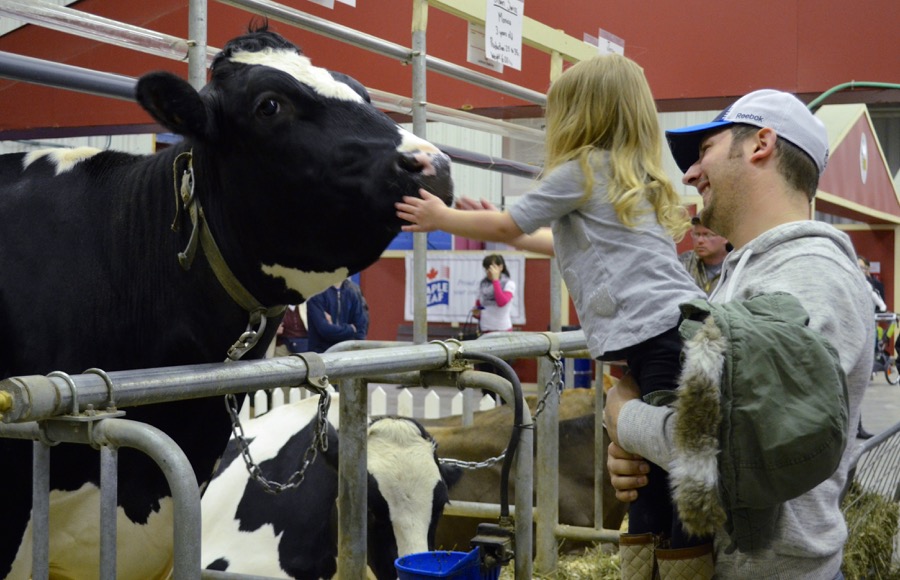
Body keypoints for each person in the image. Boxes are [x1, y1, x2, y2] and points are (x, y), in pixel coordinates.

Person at [395, 54, 711, 572]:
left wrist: (441, 216)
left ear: (582, 116)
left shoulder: (581, 169)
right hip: (679, 331)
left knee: (668, 477)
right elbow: (558, 244)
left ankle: (676, 564)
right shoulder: (634, 177)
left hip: (658, 339)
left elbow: (511, 225)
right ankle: (655, 563)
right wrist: (495, 224)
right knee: (656, 475)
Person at [605, 89, 873, 579]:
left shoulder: (808, 277)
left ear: (760, 144)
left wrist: (627, 420)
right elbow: (714, 412)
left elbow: (738, 453)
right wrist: (640, 452)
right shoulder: (747, 272)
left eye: (704, 150)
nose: (688, 173)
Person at [857, 254, 885, 439]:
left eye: (864, 268)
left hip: (864, 335)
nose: (861, 271)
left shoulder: (868, 285)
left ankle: (857, 427)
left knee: (857, 387)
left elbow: (878, 300)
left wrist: (883, 308)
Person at [306, 278, 369, 353]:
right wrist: (350, 329)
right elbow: (325, 330)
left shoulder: (352, 291)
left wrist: (336, 329)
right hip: (322, 355)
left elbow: (361, 329)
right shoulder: (316, 293)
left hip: (347, 354)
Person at [678, 216, 730, 295]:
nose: (700, 240)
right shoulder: (683, 264)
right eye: (696, 234)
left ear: (725, 237)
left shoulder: (736, 265)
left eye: (707, 235)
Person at [473, 254, 516, 334]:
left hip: (503, 329)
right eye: (486, 268)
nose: (488, 271)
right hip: (485, 329)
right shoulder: (483, 284)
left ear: (500, 267)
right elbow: (479, 305)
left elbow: (501, 302)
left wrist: (495, 280)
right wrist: (476, 312)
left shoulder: (508, 284)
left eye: (492, 268)